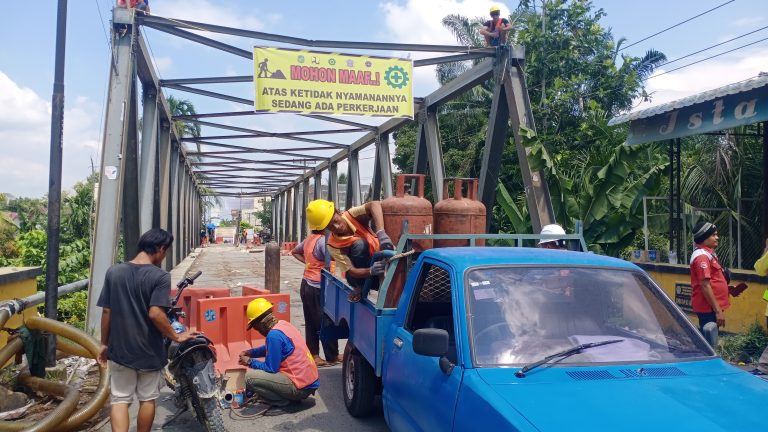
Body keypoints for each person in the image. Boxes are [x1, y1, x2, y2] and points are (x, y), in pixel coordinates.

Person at [97, 229, 194, 432]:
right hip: (149, 350)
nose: (164, 256)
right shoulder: (160, 276)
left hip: (121, 349)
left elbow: (107, 311)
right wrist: (176, 335)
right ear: (160, 249)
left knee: (120, 400)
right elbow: (156, 314)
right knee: (147, 399)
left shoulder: (114, 272)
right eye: (165, 252)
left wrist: (104, 343)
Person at [239, 298, 319, 415]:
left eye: (255, 326)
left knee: (250, 378)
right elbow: (271, 348)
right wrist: (251, 352)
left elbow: (271, 368)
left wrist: (250, 362)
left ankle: (285, 403)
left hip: (300, 387)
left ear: (261, 323)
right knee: (262, 378)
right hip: (309, 382)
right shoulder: (283, 325)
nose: (256, 330)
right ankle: (290, 397)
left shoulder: (273, 336)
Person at [305, 199, 394, 302]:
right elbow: (351, 271)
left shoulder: (352, 215)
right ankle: (360, 287)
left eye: (335, 221)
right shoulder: (333, 245)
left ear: (338, 211)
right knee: (359, 244)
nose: (336, 227)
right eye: (330, 227)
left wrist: (381, 233)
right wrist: (370, 271)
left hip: (381, 263)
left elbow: (374, 204)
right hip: (364, 277)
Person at [291, 229, 340, 368]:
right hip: (318, 287)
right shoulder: (323, 241)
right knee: (326, 321)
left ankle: (314, 355)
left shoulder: (310, 239)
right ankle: (332, 356)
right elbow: (335, 257)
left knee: (311, 321)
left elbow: (294, 251)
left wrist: (308, 263)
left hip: (307, 284)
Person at [689, 221, 733, 332]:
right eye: (713, 235)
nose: (717, 238)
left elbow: (713, 279)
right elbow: (704, 285)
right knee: (709, 338)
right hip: (708, 308)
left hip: (712, 307)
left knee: (711, 336)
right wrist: (718, 311)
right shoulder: (702, 256)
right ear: (704, 237)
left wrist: (727, 289)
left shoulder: (708, 254)